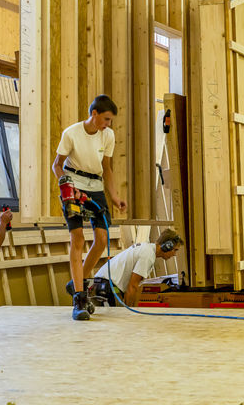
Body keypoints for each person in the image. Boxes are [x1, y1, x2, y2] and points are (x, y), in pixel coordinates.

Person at [52, 94, 128, 320]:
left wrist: (114, 196)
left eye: (110, 120)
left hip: (95, 187)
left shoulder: (108, 135)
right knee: (78, 239)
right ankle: (79, 298)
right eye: (105, 119)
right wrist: (66, 185)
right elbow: (57, 165)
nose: (108, 124)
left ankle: (77, 283)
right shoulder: (71, 133)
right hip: (72, 183)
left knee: (102, 240)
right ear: (94, 114)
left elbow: (107, 167)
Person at [92, 229, 183, 307]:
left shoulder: (148, 251)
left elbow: (138, 287)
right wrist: (129, 311)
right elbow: (132, 286)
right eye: (175, 250)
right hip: (109, 285)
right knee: (119, 320)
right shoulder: (148, 255)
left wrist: (135, 310)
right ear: (167, 246)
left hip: (106, 283)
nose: (174, 254)